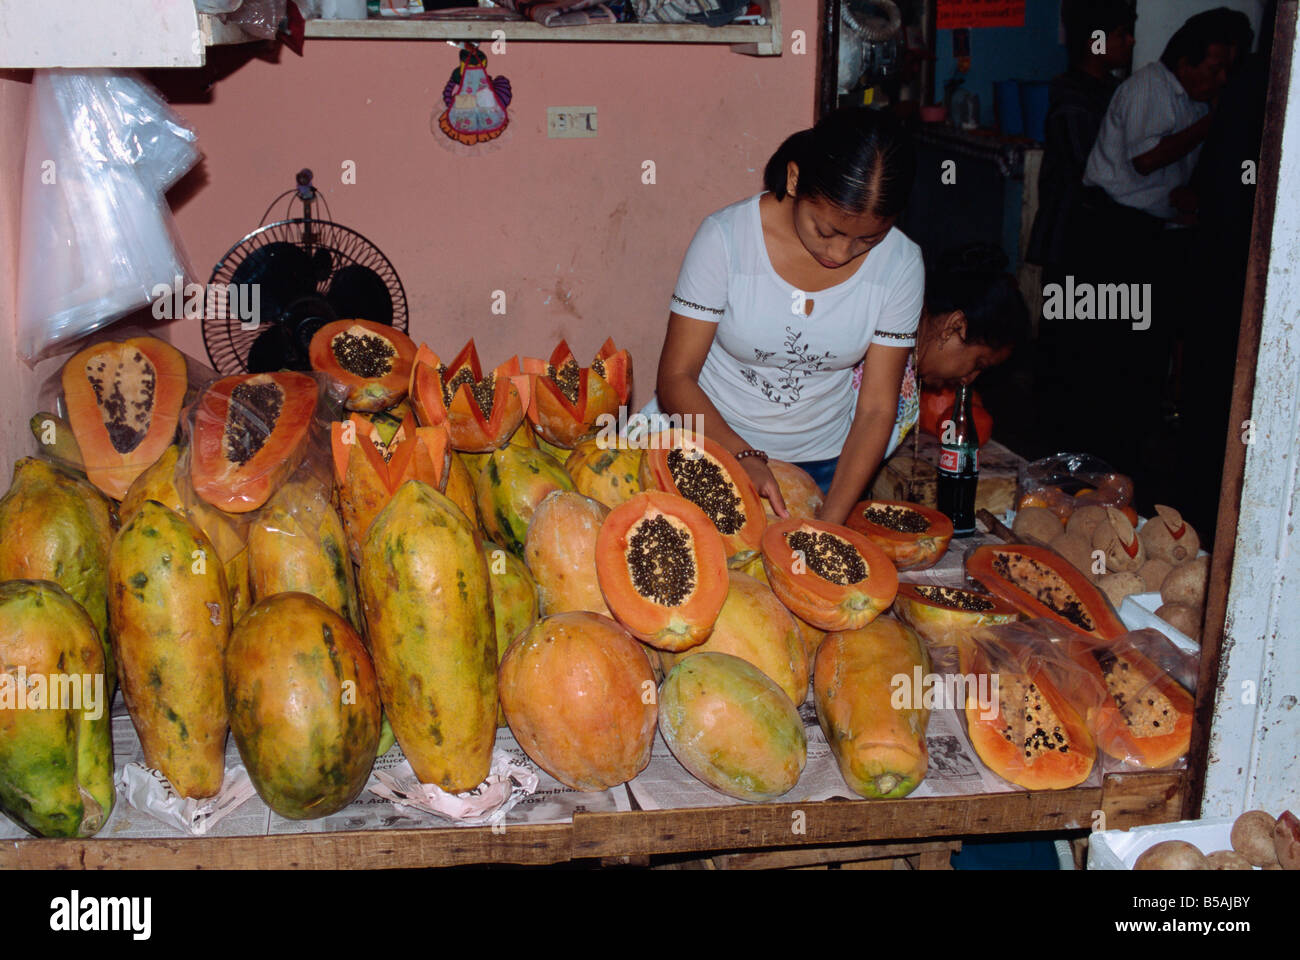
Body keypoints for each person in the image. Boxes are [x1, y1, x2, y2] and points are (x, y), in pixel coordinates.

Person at [651, 107, 1028, 523]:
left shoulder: (900, 264)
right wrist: (741, 454)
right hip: (709, 447)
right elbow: (676, 377)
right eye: (826, 231)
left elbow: (875, 410)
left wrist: (829, 523)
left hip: (823, 470)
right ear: (795, 180)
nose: (839, 254)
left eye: (867, 239)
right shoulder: (725, 239)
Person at [1057, 14, 1234, 490]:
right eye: (1213, 68)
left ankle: (1118, 466)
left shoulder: (1192, 100)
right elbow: (1147, 159)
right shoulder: (1151, 89)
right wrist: (1215, 123)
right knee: (1110, 352)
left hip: (1149, 233)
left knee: (1139, 357)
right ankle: (1084, 467)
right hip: (1112, 231)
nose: (1220, 80)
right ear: (1184, 60)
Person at [1026, 0, 1136, 284]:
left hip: (1098, 230)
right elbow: (1090, 169)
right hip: (1073, 233)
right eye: (1121, 33)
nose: (1131, 41)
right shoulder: (1072, 97)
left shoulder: (1115, 90)